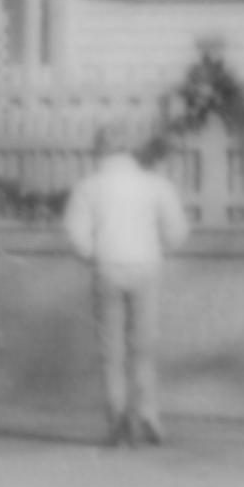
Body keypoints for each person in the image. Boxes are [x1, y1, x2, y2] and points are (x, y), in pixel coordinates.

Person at [61, 125, 191, 448]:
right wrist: (160, 249)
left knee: (111, 351)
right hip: (146, 267)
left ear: (99, 151)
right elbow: (177, 231)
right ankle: (147, 413)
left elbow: (75, 234)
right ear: (130, 152)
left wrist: (93, 254)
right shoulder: (155, 185)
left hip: (107, 268)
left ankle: (117, 418)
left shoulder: (88, 188)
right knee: (144, 347)